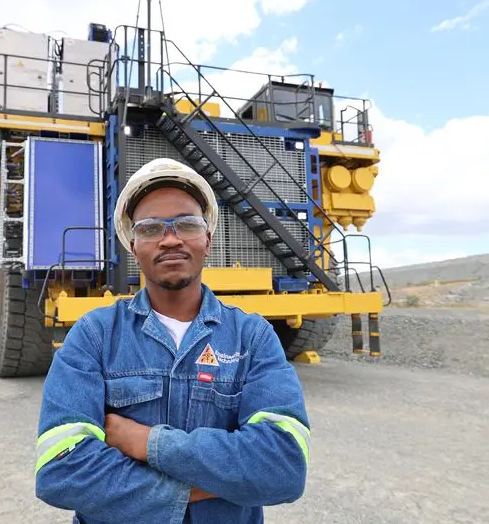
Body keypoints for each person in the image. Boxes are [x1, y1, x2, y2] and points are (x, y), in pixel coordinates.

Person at [34, 158, 312, 524]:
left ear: (207, 239)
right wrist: (204, 485)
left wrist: (145, 441)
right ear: (133, 246)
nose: (170, 239)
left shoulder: (252, 336)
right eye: (150, 229)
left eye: (186, 224)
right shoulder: (94, 335)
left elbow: (283, 466)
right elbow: (60, 470)